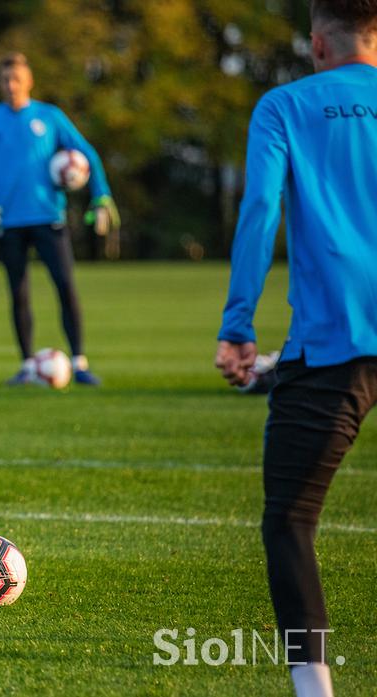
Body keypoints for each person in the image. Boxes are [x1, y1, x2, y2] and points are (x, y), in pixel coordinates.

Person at [215, 2, 377, 695]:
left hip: (334, 342)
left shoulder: (284, 105)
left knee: (290, 519)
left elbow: (260, 210)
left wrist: (237, 324)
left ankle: (316, 689)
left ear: (316, 42)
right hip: (331, 343)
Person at [0, 52, 119, 387]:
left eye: (16, 79)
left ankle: (80, 363)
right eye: (4, 80)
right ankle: (28, 366)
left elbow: (87, 155)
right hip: (7, 223)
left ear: (29, 81)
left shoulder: (50, 116)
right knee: (19, 293)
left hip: (48, 218)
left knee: (66, 287)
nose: (10, 85)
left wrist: (101, 195)